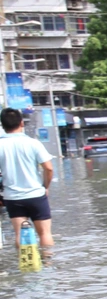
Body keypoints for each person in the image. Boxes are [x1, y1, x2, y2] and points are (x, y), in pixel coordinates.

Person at [0, 107, 54, 249]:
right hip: (36, 194)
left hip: (12, 197)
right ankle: (48, 263)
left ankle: (24, 264)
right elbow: (48, 168)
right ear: (22, 123)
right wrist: (45, 187)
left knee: (19, 233)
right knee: (44, 233)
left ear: (3, 125)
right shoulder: (33, 143)